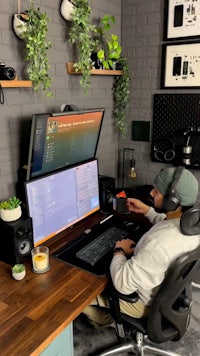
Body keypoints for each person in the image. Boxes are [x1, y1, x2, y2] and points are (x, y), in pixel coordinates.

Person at [82, 166, 200, 329]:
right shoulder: (192, 224)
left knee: (82, 295)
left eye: (156, 192)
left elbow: (122, 283)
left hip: (142, 304)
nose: (151, 194)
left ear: (171, 202)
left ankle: (104, 319)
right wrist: (147, 211)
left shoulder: (158, 245)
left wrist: (119, 251)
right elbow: (168, 225)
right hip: (170, 296)